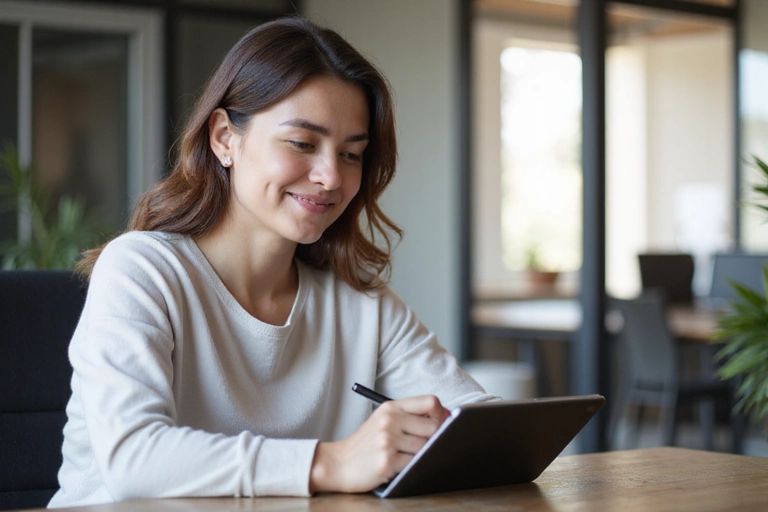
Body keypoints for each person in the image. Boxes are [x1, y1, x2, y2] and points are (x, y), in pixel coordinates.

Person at [49, 16, 495, 508]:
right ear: (224, 138)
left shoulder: (359, 302)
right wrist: (334, 461)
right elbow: (134, 459)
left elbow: (478, 425)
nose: (330, 176)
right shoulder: (141, 271)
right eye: (302, 144)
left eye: (352, 154)